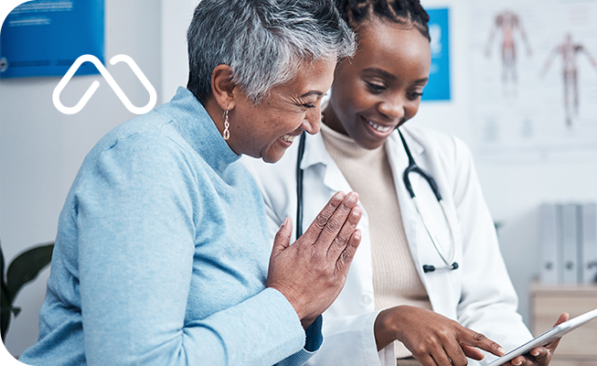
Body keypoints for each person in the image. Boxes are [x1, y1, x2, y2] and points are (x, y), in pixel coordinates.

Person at [18, 1, 359, 365]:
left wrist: (302, 312)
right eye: (305, 102)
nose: (313, 124)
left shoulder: (235, 175)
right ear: (228, 87)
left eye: (320, 102)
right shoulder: (144, 162)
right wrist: (288, 302)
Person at [242, 1, 568, 365]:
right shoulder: (268, 168)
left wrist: (511, 350)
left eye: (414, 93)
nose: (395, 109)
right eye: (377, 85)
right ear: (332, 64)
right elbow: (270, 331)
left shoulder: (445, 158)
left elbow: (486, 300)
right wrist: (387, 324)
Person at [540, 32, 597, 127]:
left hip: (574, 71)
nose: (568, 41)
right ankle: (567, 114)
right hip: (565, 71)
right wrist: (544, 70)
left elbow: (589, 56)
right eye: (567, 39)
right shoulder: (561, 47)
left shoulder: (576, 47)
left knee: (575, 91)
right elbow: (550, 58)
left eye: (570, 39)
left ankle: (576, 110)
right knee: (566, 93)